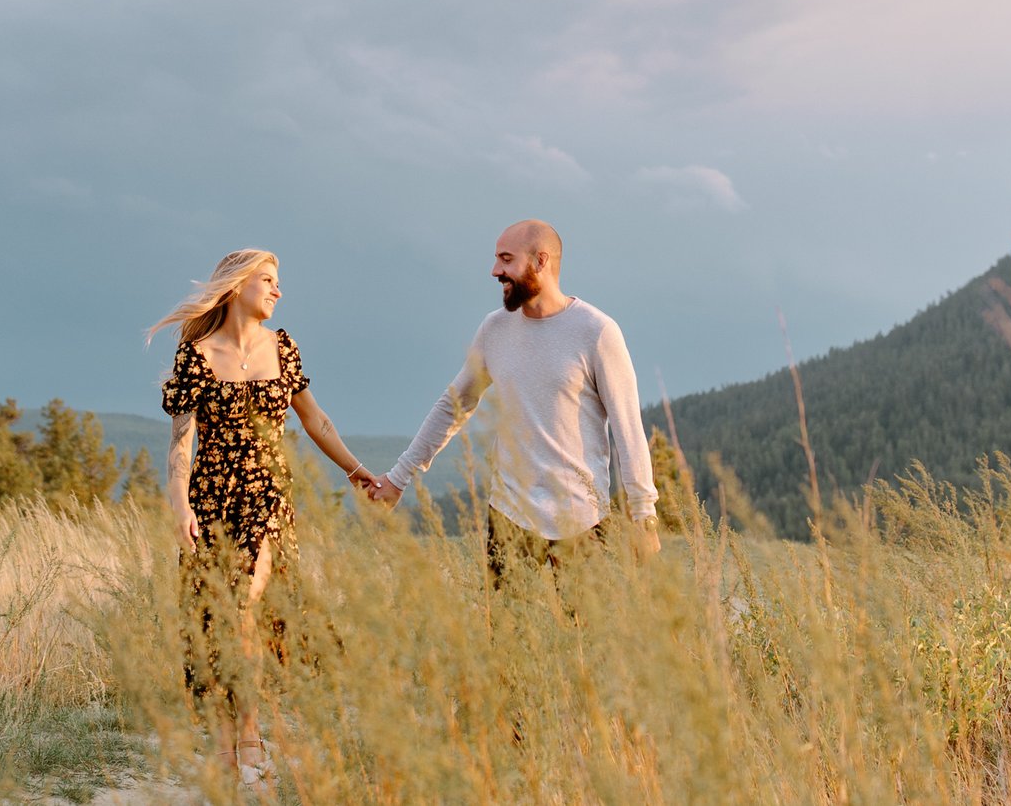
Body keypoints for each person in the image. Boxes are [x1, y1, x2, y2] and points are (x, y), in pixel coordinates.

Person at [150, 248, 377, 783]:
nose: (278, 291)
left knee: (248, 603)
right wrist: (179, 503)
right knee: (217, 614)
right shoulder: (196, 354)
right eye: (269, 280)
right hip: (212, 497)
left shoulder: (284, 347)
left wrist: (356, 471)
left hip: (268, 498)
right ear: (236, 287)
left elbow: (315, 420)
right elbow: (181, 442)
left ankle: (250, 727)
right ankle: (226, 740)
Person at [367, 220, 660, 580]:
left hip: (582, 521)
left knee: (582, 636)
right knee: (505, 635)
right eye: (496, 260)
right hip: (508, 517)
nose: (495, 271)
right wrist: (399, 477)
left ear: (541, 261)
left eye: (506, 260)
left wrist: (644, 516)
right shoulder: (494, 330)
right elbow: (453, 406)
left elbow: (627, 426)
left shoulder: (596, 331)